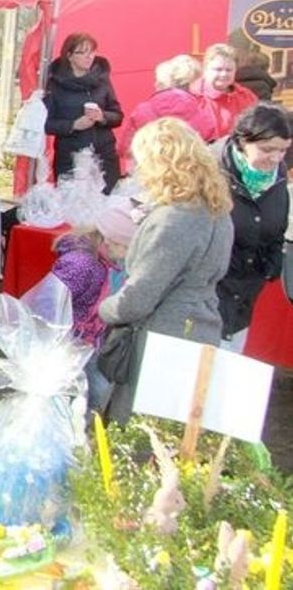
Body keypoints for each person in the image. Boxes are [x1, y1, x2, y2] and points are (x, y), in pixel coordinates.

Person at [99, 118, 234, 422]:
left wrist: (105, 309)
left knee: (142, 431)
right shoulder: (217, 210)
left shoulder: (175, 218)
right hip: (202, 325)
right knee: (178, 427)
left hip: (164, 336)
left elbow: (139, 298)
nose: (137, 170)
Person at [211, 103, 291, 352]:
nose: (276, 158)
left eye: (283, 150)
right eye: (267, 149)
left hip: (245, 296)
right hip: (207, 295)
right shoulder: (210, 171)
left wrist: (273, 259)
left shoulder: (277, 175)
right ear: (243, 141)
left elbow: (276, 226)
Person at [50, 199, 136, 412]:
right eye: (127, 248)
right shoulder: (81, 264)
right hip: (72, 342)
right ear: (109, 241)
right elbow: (49, 304)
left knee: (95, 396)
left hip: (94, 341)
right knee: (76, 396)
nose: (130, 255)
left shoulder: (110, 262)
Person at [44, 33, 124, 192]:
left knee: (108, 200)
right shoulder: (54, 84)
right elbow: (46, 124)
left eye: (92, 51)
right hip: (71, 156)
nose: (89, 56)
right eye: (82, 52)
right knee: (72, 201)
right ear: (69, 56)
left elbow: (118, 115)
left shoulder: (102, 80)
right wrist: (73, 125)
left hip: (104, 155)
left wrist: (102, 117)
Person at [117, 55, 213, 175]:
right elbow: (210, 147)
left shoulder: (143, 109)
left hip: (152, 175)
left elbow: (124, 148)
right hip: (190, 174)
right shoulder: (201, 110)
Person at [191, 44, 259, 140]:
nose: (223, 74)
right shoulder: (192, 97)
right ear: (205, 69)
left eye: (229, 70)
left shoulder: (247, 97)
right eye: (218, 69)